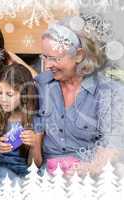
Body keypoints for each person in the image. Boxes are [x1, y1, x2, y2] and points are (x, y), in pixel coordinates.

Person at [34, 15, 124, 175]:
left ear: (79, 55)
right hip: (47, 176)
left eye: (56, 58)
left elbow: (113, 144)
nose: (47, 65)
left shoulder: (108, 91)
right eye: (45, 57)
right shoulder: (42, 84)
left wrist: (85, 170)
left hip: (87, 176)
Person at [0, 64, 43, 182]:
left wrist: (34, 145)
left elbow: (37, 164)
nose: (3, 99)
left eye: (9, 94)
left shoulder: (35, 120)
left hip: (24, 174)